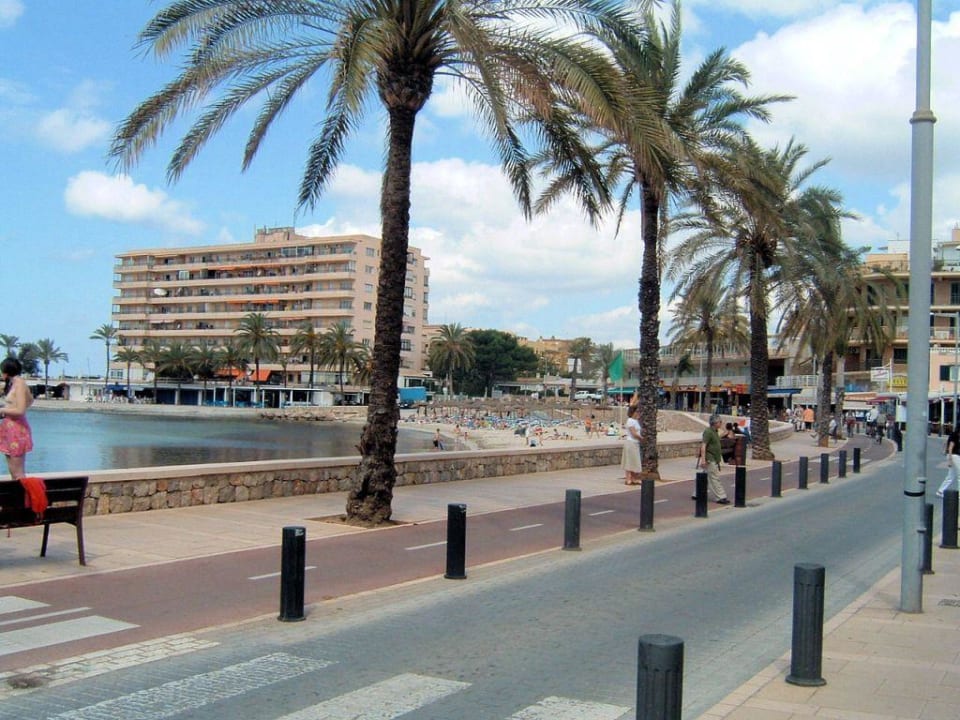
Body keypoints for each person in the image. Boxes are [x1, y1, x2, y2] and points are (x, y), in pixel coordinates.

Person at [0, 357, 34, 480]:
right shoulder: (15, 383)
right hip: (10, 429)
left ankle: (23, 498)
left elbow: (20, 410)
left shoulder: (19, 383)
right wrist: (9, 410)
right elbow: (29, 401)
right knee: (13, 473)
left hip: (16, 430)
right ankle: (17, 498)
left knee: (18, 473)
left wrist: (2, 410)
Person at [696, 415, 730, 504]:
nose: (721, 423)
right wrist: (703, 460)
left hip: (713, 458)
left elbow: (715, 440)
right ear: (715, 423)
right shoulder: (708, 432)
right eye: (720, 422)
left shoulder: (714, 431)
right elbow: (703, 446)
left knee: (706, 477)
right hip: (710, 459)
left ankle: (696, 493)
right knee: (714, 478)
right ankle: (721, 496)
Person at [621, 404, 643, 485]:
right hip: (630, 443)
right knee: (629, 461)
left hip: (635, 443)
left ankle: (633, 478)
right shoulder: (630, 421)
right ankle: (628, 478)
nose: (638, 413)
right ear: (633, 412)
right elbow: (633, 433)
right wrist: (642, 439)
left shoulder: (636, 421)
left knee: (634, 461)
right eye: (637, 411)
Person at [937, 426, 960, 498]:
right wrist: (950, 460)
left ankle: (940, 491)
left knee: (951, 476)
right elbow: (950, 447)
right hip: (953, 456)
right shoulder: (954, 435)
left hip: (955, 456)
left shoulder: (956, 435)